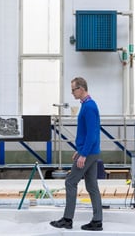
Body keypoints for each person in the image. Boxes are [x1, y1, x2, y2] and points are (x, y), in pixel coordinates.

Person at [50, 77, 103, 231]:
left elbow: (92, 134)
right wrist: (79, 150)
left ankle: (67, 219)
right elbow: (87, 133)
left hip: (89, 153)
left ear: (81, 88)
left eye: (73, 89)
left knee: (70, 182)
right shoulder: (86, 105)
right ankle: (97, 221)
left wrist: (83, 154)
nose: (72, 93)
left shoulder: (89, 107)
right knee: (92, 186)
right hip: (90, 151)